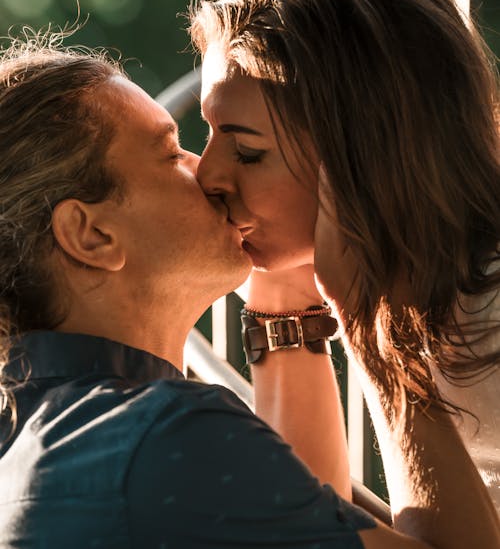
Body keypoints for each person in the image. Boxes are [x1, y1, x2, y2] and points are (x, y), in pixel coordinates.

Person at [3, 27, 496, 548]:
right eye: (171, 154)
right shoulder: (166, 435)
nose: (208, 172)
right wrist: (369, 319)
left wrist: (284, 308)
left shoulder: (44, 429)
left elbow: (305, 521)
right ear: (92, 235)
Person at [191, 0, 500, 531]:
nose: (207, 175)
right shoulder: (426, 279)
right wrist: (281, 310)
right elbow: (309, 535)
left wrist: (366, 331)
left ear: (365, 159)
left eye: (247, 150)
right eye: (207, 134)